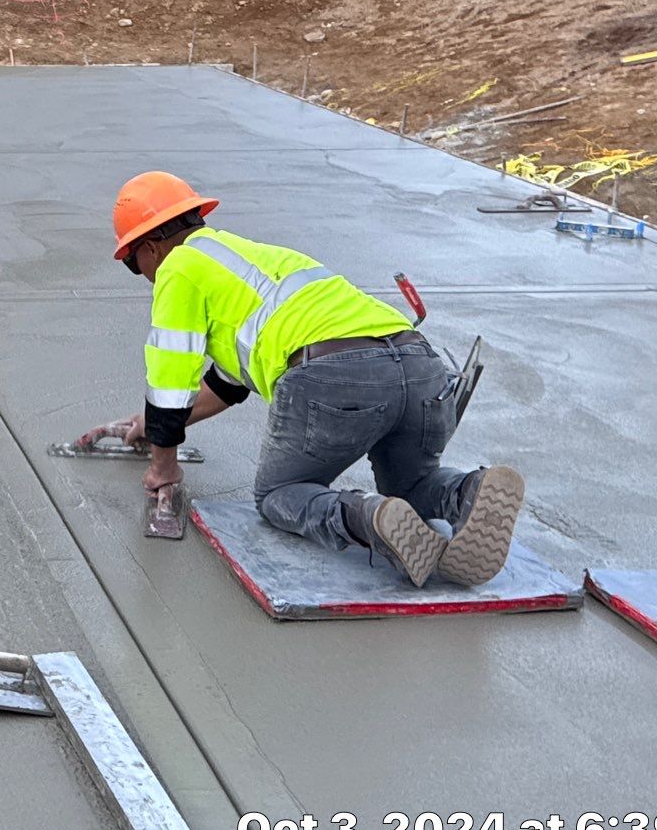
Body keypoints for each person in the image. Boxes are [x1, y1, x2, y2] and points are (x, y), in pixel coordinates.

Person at [82, 172, 524, 588]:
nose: (142, 274)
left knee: (280, 494)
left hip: (337, 375)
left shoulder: (178, 269)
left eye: (133, 263)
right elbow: (227, 384)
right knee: (410, 486)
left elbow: (169, 382)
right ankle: (469, 490)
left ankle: (366, 517)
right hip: (418, 364)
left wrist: (163, 466)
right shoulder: (257, 259)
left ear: (150, 248)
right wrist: (150, 425)